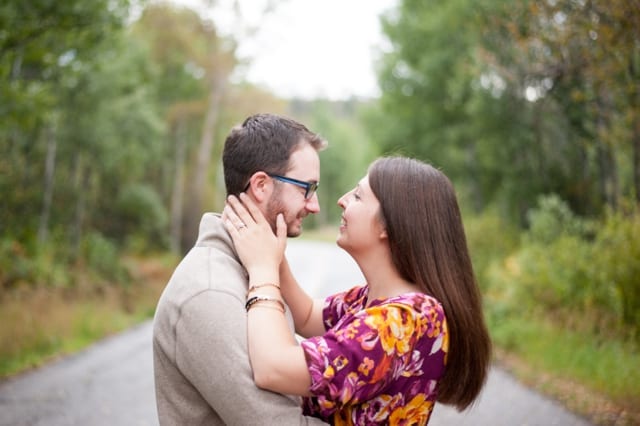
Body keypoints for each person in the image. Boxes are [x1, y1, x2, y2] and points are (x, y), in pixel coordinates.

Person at [223, 156, 492, 425]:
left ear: (388, 224)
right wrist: (273, 254)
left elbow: (273, 368)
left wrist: (262, 270)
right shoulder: (372, 301)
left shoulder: (401, 322)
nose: (342, 199)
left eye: (358, 196)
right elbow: (306, 315)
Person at [152, 113, 329, 425]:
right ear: (260, 185)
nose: (314, 206)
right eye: (307, 188)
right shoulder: (209, 292)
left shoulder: (255, 267)